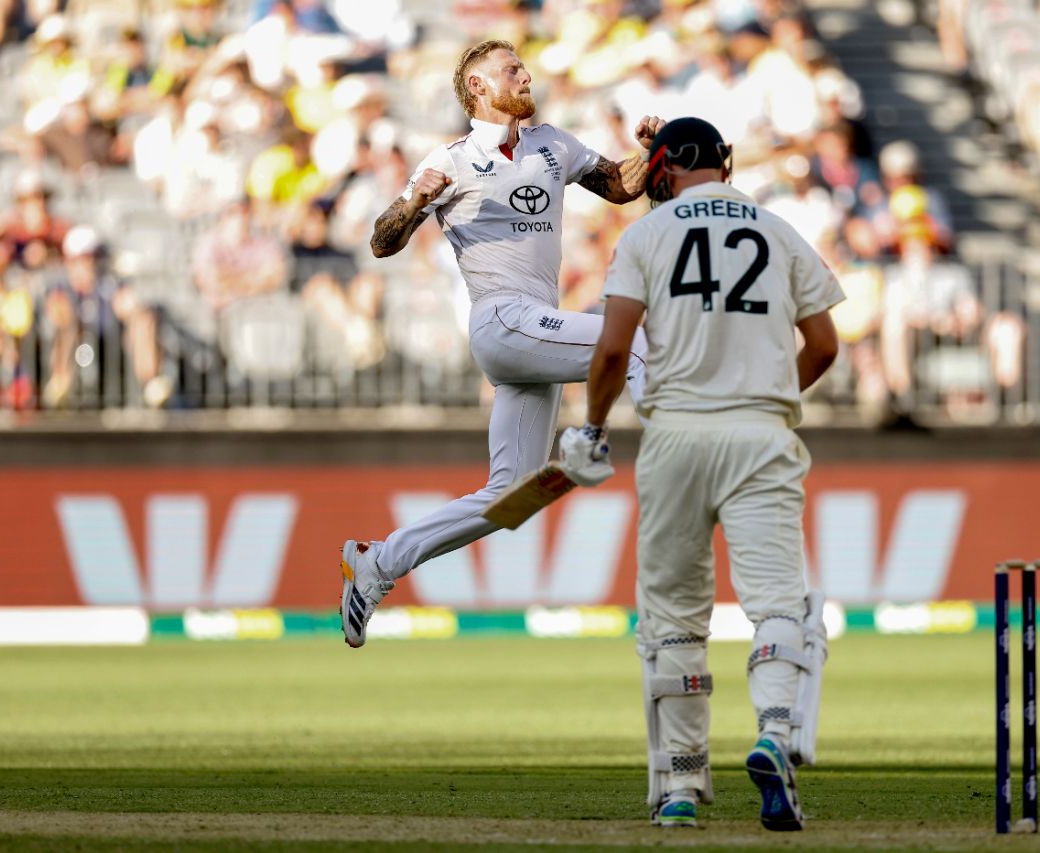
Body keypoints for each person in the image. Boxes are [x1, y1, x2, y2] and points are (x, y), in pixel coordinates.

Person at [557, 117, 842, 831]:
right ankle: (775, 732)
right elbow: (826, 344)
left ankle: (681, 786)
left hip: (676, 435)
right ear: (723, 162)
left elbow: (614, 351)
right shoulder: (775, 228)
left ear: (663, 170)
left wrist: (590, 428)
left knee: (672, 620)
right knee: (780, 605)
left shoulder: (645, 237)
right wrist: (767, 391)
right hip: (759, 433)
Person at [337, 39, 661, 647]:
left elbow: (620, 186)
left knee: (512, 496)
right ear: (479, 89)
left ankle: (376, 562)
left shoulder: (554, 144)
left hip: (532, 333)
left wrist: (649, 150)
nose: (526, 74)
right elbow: (382, 243)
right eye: (511, 69)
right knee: (633, 339)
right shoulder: (452, 159)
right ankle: (681, 454)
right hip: (501, 319)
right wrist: (414, 201)